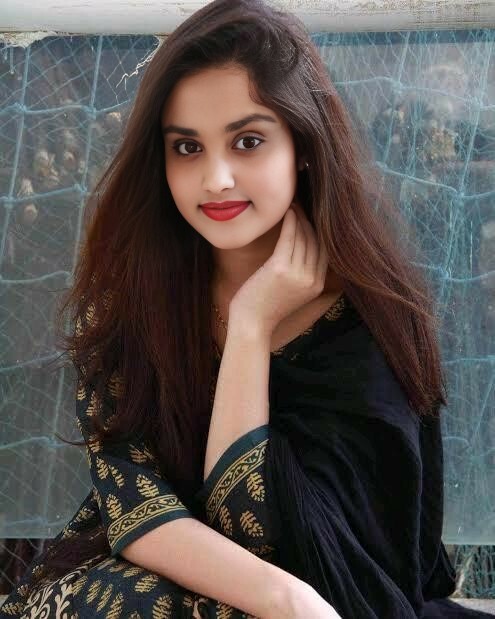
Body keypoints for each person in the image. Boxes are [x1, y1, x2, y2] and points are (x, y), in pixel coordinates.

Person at [1, 0, 493, 617]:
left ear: (304, 146)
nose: (216, 179)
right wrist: (286, 599)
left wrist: (251, 328)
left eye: (248, 141)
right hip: (160, 574)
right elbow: (136, 510)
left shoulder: (367, 324)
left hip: (334, 589)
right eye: (187, 147)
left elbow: (257, 534)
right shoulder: (129, 301)